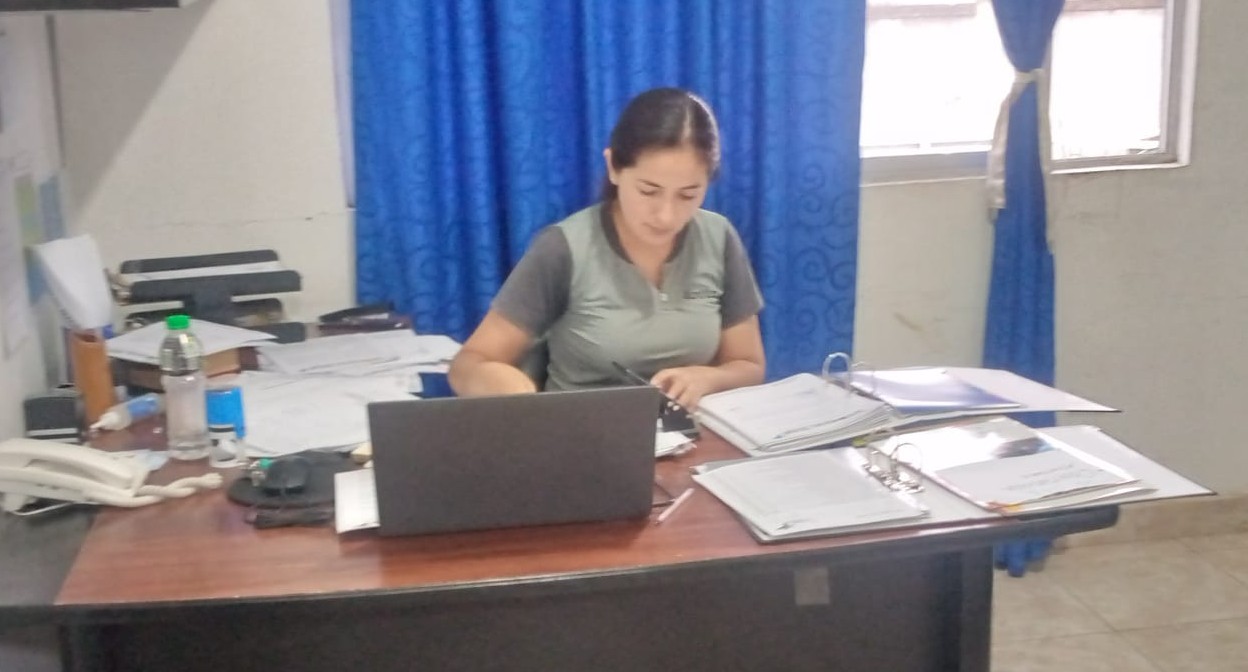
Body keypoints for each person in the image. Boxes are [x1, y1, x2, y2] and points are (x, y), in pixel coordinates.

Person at [448, 87, 765, 410]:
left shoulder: (718, 237)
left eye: (688, 195)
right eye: (648, 191)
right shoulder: (564, 247)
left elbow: (749, 364)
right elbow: (469, 363)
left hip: (692, 433)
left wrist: (709, 378)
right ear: (614, 167)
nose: (666, 216)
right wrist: (509, 388)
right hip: (585, 431)